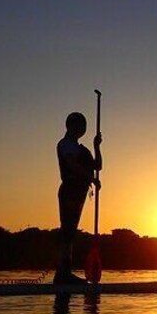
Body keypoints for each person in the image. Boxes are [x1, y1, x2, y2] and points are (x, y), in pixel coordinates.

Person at [55, 112, 102, 284]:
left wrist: (96, 146)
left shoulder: (82, 149)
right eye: (78, 126)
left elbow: (98, 166)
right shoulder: (65, 145)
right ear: (70, 126)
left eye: (83, 127)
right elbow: (72, 165)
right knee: (67, 232)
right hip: (69, 190)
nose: (81, 129)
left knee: (71, 233)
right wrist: (91, 179)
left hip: (79, 192)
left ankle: (64, 274)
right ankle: (62, 274)